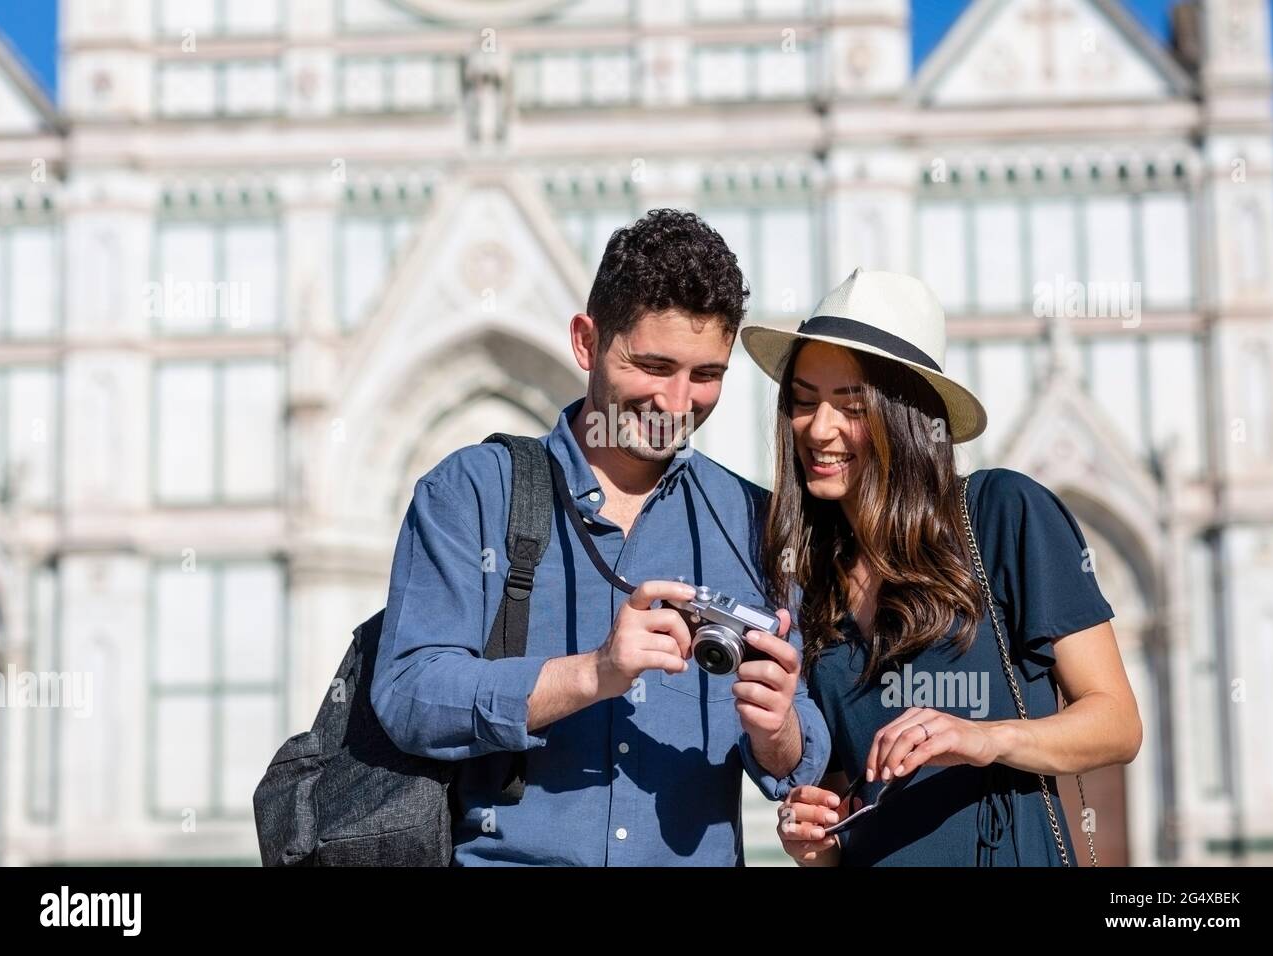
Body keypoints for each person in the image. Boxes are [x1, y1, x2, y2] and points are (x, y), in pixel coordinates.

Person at [370, 209, 830, 865]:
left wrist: (777, 722)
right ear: (587, 342)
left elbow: (796, 763)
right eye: (652, 365)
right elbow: (410, 694)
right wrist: (594, 673)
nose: (677, 403)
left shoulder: (755, 522)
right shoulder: (471, 492)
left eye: (706, 375)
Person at [740, 268, 1142, 866]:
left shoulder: (1003, 513)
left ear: (906, 413)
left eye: (850, 403)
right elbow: (847, 795)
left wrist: (984, 738)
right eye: (803, 402)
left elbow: (1118, 723)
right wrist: (814, 839)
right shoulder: (806, 581)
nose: (818, 428)